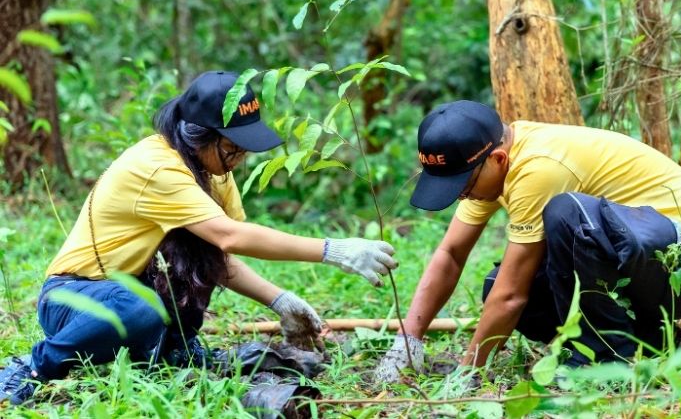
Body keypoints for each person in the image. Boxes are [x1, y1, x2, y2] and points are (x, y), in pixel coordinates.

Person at [0, 70, 397, 405]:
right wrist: (332, 250)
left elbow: (219, 257)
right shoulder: (158, 167)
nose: (239, 160)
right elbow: (230, 236)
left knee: (193, 253)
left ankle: (174, 347)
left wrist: (281, 301)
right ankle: (35, 365)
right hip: (74, 298)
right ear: (198, 136)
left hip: (130, 289)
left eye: (244, 151)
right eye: (232, 149)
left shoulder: (213, 171)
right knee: (139, 308)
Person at [376, 100, 681, 382]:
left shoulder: (538, 167)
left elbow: (510, 296)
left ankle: (603, 361)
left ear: (497, 159)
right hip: (644, 262)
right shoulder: (489, 167)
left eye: (462, 186)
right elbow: (451, 254)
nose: (460, 196)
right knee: (502, 288)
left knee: (567, 215)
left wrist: (468, 374)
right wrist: (407, 342)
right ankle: (651, 342)